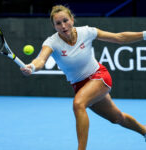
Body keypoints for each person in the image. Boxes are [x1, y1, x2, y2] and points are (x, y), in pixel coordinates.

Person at [21, 5, 146, 150]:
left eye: (65, 21)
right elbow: (40, 60)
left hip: (99, 76)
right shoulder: (51, 42)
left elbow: (119, 38)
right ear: (54, 26)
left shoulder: (86, 32)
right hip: (80, 86)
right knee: (117, 118)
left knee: (78, 104)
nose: (63, 26)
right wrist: (32, 67)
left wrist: (144, 34)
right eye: (58, 23)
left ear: (72, 20)